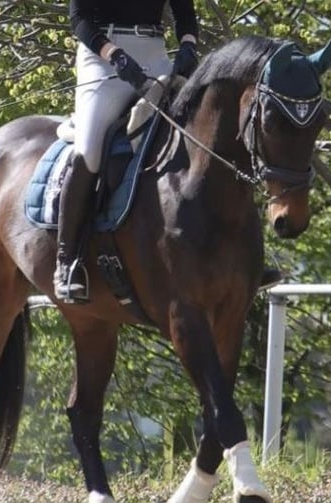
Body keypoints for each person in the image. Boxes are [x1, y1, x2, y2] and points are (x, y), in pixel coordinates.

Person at [54, 0, 200, 303]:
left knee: (201, 134)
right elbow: (79, 18)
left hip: (156, 57)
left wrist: (188, 45)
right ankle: (67, 261)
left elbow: (184, 12)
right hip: (103, 57)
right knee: (90, 150)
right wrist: (115, 55)